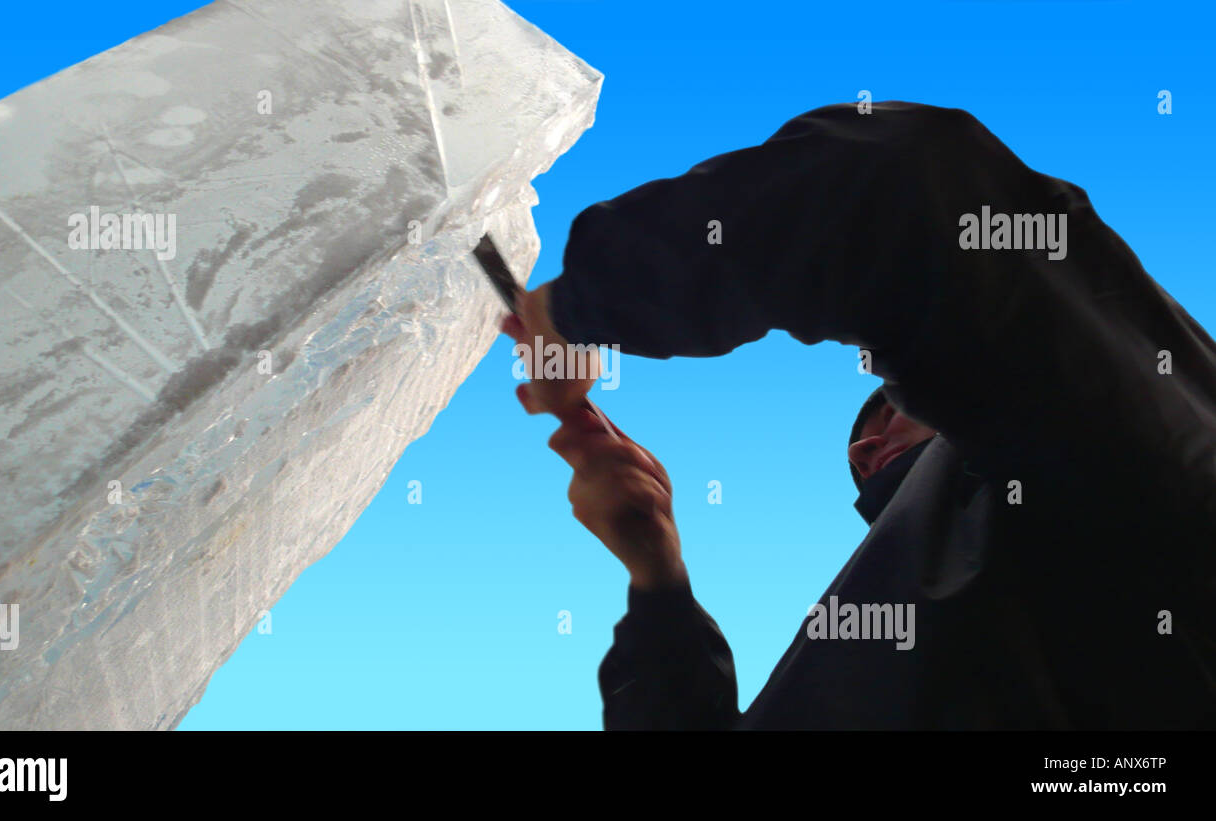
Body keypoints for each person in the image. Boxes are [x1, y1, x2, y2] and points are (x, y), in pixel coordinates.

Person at [499, 100, 1216, 729]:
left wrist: (578, 309)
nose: (910, 403)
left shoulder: (1136, 465)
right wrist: (658, 579)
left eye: (904, 396)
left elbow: (913, 190)